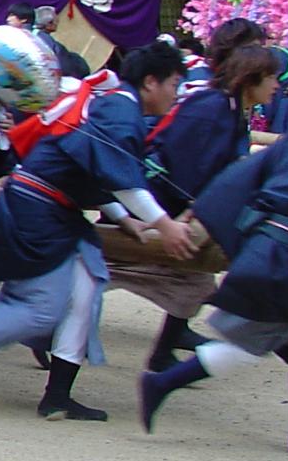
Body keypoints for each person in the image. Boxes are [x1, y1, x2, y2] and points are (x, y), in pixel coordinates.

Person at [0, 41, 199, 419]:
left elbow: (96, 168)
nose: (176, 93)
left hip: (51, 205)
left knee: (85, 291)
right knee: (44, 309)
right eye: (174, 83)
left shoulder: (115, 103)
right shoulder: (120, 109)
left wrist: (126, 221)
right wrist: (165, 225)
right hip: (38, 206)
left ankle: (58, 394)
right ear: (151, 82)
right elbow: (121, 180)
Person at [139, 62, 288, 454]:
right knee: (250, 344)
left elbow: (241, 177)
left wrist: (210, 218)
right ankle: (162, 382)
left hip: (274, 247)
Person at [111, 43, 275, 372]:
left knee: (194, 280)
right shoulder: (211, 106)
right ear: (250, 79)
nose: (276, 86)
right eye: (271, 78)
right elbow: (183, 161)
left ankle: (163, 352)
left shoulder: (232, 109)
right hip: (159, 203)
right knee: (108, 268)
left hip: (184, 203)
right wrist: (193, 208)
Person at [32, 5, 90, 80]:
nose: (57, 24)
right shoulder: (44, 40)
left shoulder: (34, 34)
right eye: (56, 21)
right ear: (49, 24)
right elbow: (62, 66)